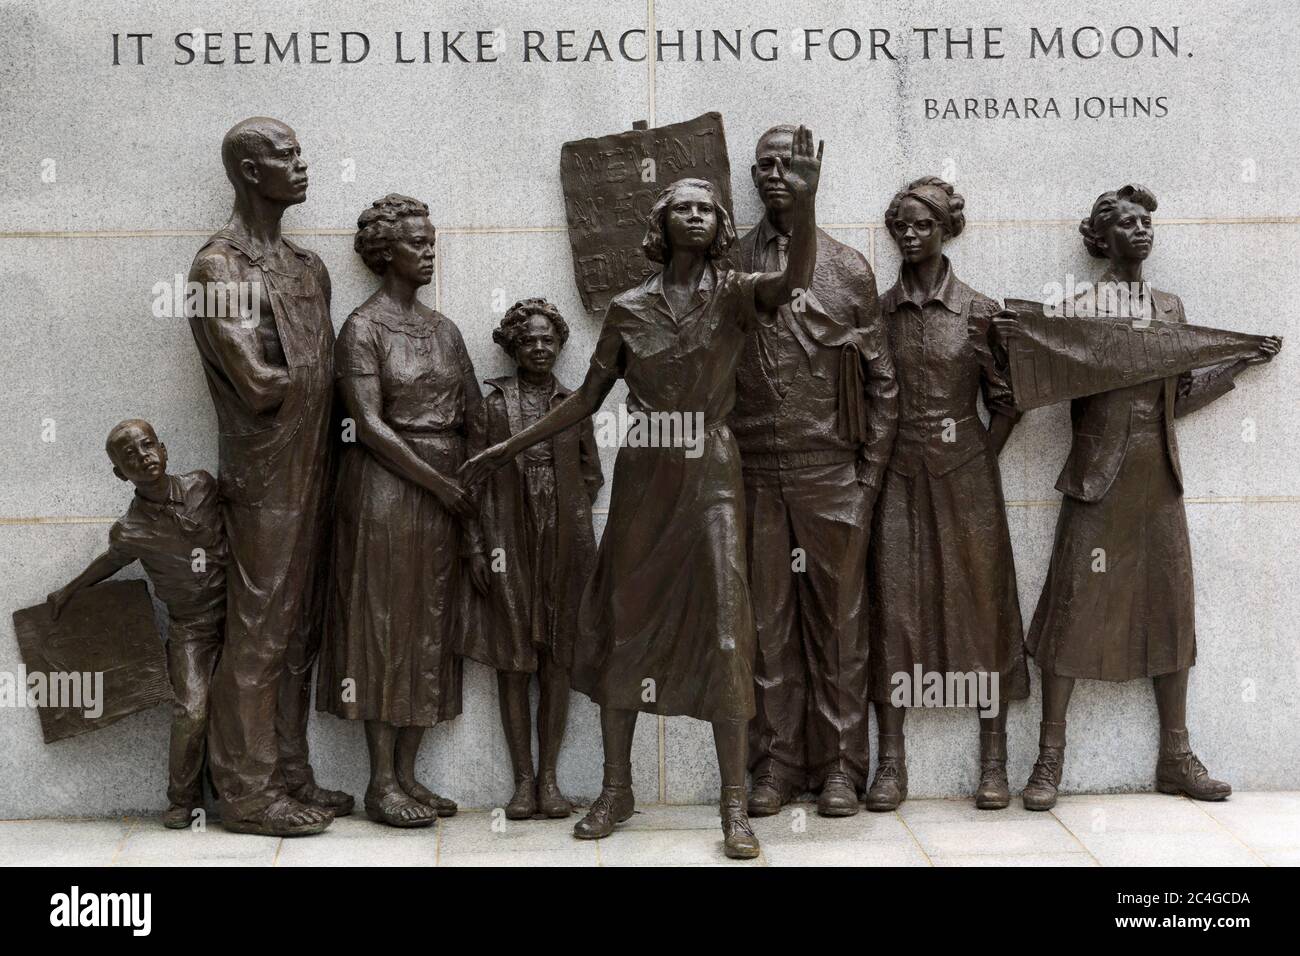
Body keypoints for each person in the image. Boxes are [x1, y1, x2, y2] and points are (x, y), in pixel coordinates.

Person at [462, 126, 825, 860]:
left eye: (706, 207)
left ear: (722, 227)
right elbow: (585, 400)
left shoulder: (736, 295)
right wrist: (508, 444)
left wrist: (808, 205)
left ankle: (732, 805)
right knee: (627, 627)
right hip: (644, 475)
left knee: (727, 627)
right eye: (681, 207)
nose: (695, 215)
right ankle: (616, 788)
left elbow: (794, 282)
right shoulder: (628, 308)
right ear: (658, 224)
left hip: (712, 468)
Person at [998, 184, 1282, 810]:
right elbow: (1044, 378)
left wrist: (1234, 364)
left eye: (1147, 220)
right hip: (1098, 479)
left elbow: (1174, 400)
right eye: (1126, 222)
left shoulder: (1172, 309)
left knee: (1170, 610)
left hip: (1158, 482)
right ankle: (1049, 759)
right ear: (1101, 240)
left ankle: (1176, 756)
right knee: (1071, 608)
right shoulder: (1077, 308)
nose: (1141, 229)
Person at [188, 117, 351, 836]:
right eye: (286, 155)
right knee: (257, 631)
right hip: (262, 473)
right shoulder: (217, 268)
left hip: (317, 462)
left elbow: (322, 376)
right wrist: (316, 379)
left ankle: (290, 773)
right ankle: (246, 794)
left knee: (299, 630)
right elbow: (256, 383)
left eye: (299, 150)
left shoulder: (307, 268)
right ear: (251, 173)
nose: (302, 164)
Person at [731, 124, 897, 818]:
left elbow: (883, 383)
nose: (776, 175)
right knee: (766, 627)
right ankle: (774, 764)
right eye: (765, 165)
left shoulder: (849, 268)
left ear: (813, 173)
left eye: (790, 165)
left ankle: (839, 767)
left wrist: (868, 481)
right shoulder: (732, 265)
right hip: (756, 474)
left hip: (833, 476)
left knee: (838, 626)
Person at [317, 194, 488, 827]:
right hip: (386, 492)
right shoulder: (362, 328)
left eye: (432, 240)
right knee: (383, 626)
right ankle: (380, 782)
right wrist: (438, 485)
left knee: (431, 624)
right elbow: (364, 423)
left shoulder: (444, 330)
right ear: (387, 253)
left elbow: (474, 407)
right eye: (418, 243)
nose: (429, 251)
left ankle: (411, 775)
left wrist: (487, 455)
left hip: (446, 488)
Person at [867, 177, 1029, 811]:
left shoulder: (981, 311)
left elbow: (1008, 403)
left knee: (981, 609)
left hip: (967, 480)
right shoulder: (878, 313)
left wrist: (976, 460)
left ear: (945, 229)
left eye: (921, 225)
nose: (909, 235)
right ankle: (891, 765)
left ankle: (994, 764)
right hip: (897, 476)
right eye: (900, 226)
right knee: (893, 607)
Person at [461, 298, 603, 820]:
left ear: (560, 345)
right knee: (514, 658)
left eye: (548, 340)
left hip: (563, 534)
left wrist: (564, 514)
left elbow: (591, 473)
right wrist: (476, 544)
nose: (540, 348)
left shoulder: (575, 401)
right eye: (529, 340)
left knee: (559, 659)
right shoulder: (492, 403)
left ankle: (550, 781)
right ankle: (522, 781)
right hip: (506, 533)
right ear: (513, 346)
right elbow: (469, 479)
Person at [48, 420, 227, 830]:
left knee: (243, 704)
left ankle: (241, 787)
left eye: (148, 446)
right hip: (191, 629)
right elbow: (108, 563)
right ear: (119, 473)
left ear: (163, 449)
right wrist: (67, 592)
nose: (143, 456)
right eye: (130, 455)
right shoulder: (131, 530)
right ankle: (182, 798)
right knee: (192, 710)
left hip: (240, 616)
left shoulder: (203, 486)